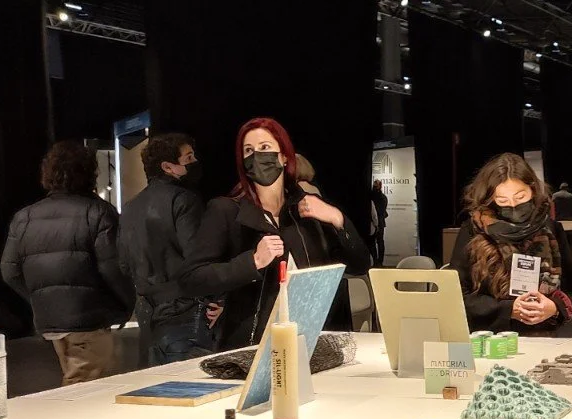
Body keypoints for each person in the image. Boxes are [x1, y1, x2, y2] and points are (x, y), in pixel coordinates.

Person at [181, 117, 372, 350]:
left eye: (265, 147)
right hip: (255, 346)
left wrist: (338, 219)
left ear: (284, 157)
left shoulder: (308, 210)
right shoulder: (227, 211)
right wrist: (252, 262)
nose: (257, 156)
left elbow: (359, 264)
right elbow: (192, 279)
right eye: (248, 151)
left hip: (316, 340)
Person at [1, 141, 135, 384]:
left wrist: (42, 298)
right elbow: (113, 268)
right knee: (89, 391)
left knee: (77, 386)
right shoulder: (98, 212)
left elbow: (9, 271)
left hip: (51, 320)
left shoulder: (24, 217)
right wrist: (127, 304)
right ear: (90, 172)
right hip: (90, 319)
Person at [449, 153, 572, 333]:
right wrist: (508, 310)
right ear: (490, 199)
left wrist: (554, 307)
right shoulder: (474, 230)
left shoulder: (551, 229)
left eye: (520, 197)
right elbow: (456, 295)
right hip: (490, 337)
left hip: (541, 336)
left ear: (533, 189)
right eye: (502, 200)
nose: (513, 205)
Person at [117, 133, 215, 366]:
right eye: (188, 157)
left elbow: (123, 263)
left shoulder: (130, 207)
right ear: (167, 167)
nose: (195, 161)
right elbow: (197, 257)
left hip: (147, 311)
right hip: (185, 309)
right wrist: (215, 298)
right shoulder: (184, 200)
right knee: (191, 379)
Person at [370, 179, 389, 266]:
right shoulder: (383, 197)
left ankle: (377, 261)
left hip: (374, 222)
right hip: (379, 222)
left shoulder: (371, 197)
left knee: (375, 242)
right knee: (379, 242)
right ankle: (378, 262)